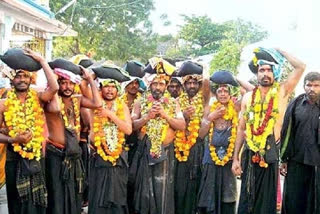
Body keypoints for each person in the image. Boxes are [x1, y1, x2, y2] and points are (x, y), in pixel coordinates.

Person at [231, 48, 306, 214]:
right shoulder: (248, 97)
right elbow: (241, 128)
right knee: (246, 200)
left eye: (269, 70)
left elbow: (300, 67)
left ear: (275, 72)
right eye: (261, 70)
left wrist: (281, 52)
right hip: (250, 153)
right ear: (257, 74)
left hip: (270, 153)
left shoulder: (282, 91)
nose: (265, 73)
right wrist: (235, 158)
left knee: (266, 205)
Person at [0, 49, 58, 214]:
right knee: (17, 201)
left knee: (37, 199)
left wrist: (42, 61)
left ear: (30, 79)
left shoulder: (38, 98)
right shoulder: (3, 104)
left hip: (36, 155)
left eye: (25, 76)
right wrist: (14, 139)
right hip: (14, 157)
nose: (22, 80)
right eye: (18, 76)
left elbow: (54, 87)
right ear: (12, 79)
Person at [44, 66, 101, 214]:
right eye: (63, 82)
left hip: (74, 154)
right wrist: (53, 82)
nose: (67, 87)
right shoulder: (50, 101)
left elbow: (97, 104)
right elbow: (56, 109)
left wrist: (89, 80)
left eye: (71, 83)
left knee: (75, 193)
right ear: (57, 83)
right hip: (55, 154)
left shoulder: (78, 100)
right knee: (56, 194)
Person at [197, 72, 254, 214]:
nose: (223, 94)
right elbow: (201, 134)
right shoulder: (210, 108)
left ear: (230, 94)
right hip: (211, 160)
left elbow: (252, 90)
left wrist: (235, 78)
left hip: (229, 160)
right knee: (209, 198)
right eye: (220, 91)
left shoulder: (236, 107)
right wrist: (210, 118)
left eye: (226, 91)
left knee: (228, 198)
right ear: (215, 94)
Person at [131, 70, 186, 214]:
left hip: (166, 152)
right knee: (144, 192)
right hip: (144, 151)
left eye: (161, 83)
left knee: (163, 191)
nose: (157, 87)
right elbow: (131, 126)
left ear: (166, 85)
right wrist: (147, 117)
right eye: (154, 83)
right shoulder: (139, 102)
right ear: (149, 84)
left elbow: (181, 125)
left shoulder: (173, 103)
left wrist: (164, 114)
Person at [88, 78, 132, 214]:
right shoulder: (95, 105)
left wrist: (110, 115)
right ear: (100, 88)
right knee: (98, 195)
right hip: (98, 158)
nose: (110, 90)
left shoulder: (121, 106)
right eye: (106, 86)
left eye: (113, 87)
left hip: (117, 159)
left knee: (117, 197)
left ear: (117, 90)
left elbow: (128, 130)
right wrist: (91, 77)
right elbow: (85, 87)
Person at [280, 71, 320, 214]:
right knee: (293, 200)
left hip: (317, 163)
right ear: (304, 86)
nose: (312, 88)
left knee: (314, 201)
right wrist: (284, 158)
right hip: (296, 160)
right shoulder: (296, 103)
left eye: (316, 85)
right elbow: (286, 132)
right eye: (309, 85)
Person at [174, 68, 205, 214]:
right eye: (189, 83)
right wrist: (184, 115)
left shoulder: (204, 101)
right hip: (179, 148)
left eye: (195, 83)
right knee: (180, 185)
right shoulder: (176, 102)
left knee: (196, 183)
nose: (192, 86)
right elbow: (173, 124)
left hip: (198, 148)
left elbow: (208, 82)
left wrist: (203, 69)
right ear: (184, 85)